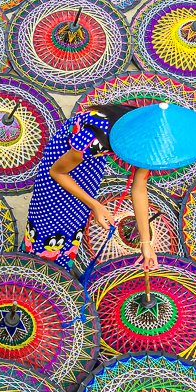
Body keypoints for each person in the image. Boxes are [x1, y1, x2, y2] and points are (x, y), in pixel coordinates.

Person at [23, 104, 158, 272]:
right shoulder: (94, 139)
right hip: (60, 167)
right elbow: (57, 172)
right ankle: (34, 269)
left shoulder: (149, 138)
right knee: (48, 224)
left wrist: (146, 243)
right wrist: (95, 205)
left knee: (74, 221)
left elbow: (139, 189)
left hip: (89, 167)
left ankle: (60, 268)